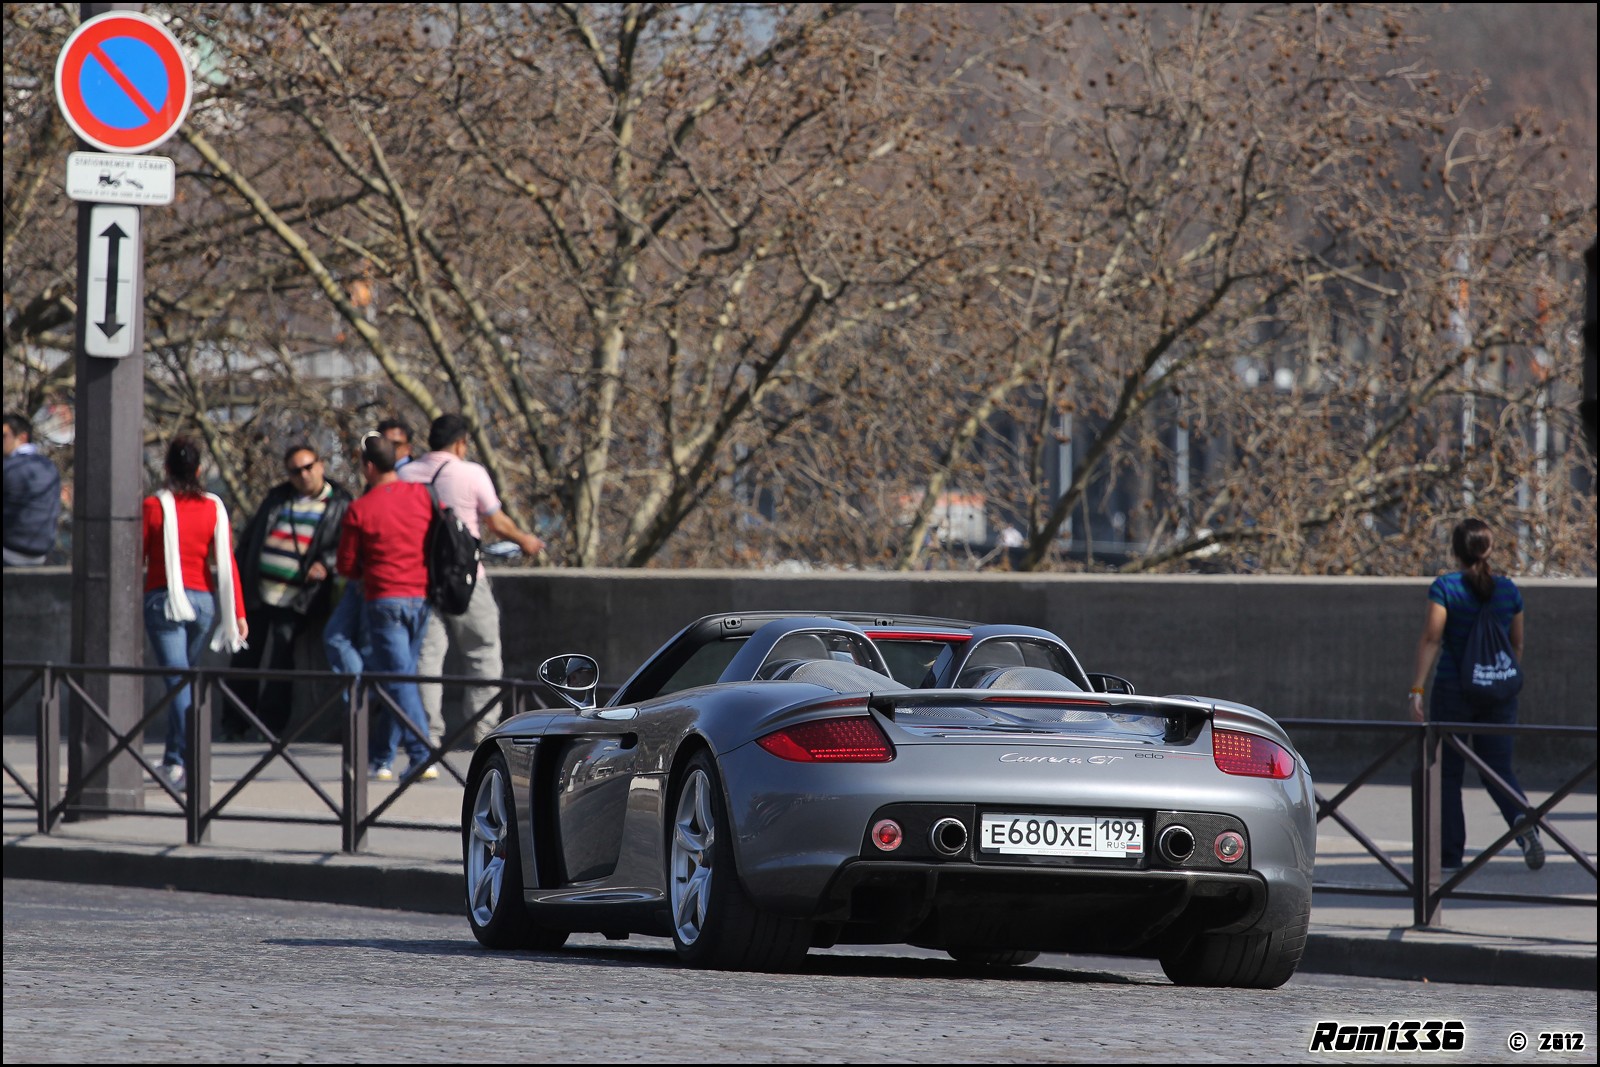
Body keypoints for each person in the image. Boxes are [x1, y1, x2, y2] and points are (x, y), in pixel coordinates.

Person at [1408, 518, 1543, 872]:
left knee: (1447, 773)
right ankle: (1522, 819)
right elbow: (1518, 643)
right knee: (1497, 767)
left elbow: (1431, 638)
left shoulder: (1446, 588)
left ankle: (1450, 856)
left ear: (1455, 551)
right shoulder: (1509, 590)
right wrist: (1499, 678)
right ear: (1489, 549)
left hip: (1454, 689)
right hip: (1499, 693)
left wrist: (1417, 689)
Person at [399, 414, 543, 745]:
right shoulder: (470, 473)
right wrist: (525, 541)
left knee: (427, 659)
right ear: (461, 442)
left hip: (420, 579)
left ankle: (427, 737)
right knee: (482, 653)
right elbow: (497, 522)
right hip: (466, 578)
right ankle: (483, 734)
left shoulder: (405, 474)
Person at [142, 436, 249, 789]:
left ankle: (191, 763)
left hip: (165, 601)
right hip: (204, 602)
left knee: (179, 684)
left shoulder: (154, 507)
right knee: (184, 680)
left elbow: (135, 557)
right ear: (200, 470)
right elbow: (227, 562)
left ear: (167, 469)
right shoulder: (213, 507)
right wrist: (238, 613)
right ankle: (174, 760)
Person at [228, 442, 352, 738]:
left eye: (308, 467)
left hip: (297, 597)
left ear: (321, 465)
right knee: (245, 660)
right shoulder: (278, 497)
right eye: (295, 471)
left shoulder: (340, 502)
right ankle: (233, 724)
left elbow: (347, 545)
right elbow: (251, 539)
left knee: (280, 662)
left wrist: (326, 563)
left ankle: (269, 728)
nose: (303, 475)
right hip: (259, 592)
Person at [336, 434, 436, 781]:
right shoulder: (423, 495)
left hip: (384, 599)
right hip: (421, 597)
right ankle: (385, 757)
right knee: (403, 676)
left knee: (399, 679)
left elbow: (346, 565)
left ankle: (422, 755)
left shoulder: (360, 509)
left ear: (367, 466)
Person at [3, 413, 62, 567]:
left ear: (22, 437)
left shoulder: (10, 468)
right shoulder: (48, 467)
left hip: (10, 549)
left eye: (4, 436)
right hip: (41, 552)